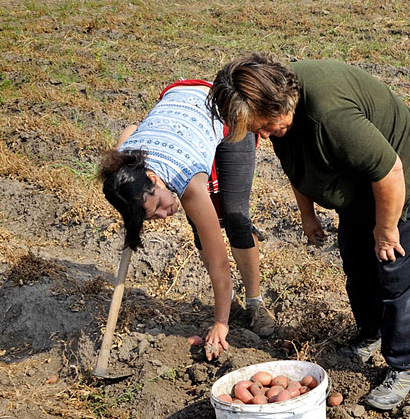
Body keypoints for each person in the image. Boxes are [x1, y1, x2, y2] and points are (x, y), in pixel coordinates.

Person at [208, 55, 410, 411]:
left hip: (406, 174)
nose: (262, 135)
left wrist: (385, 230)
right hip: (363, 182)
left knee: (396, 274)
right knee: (357, 261)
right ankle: (370, 335)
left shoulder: (329, 117)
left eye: (264, 127)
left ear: (278, 104)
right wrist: (308, 215)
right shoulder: (280, 118)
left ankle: (404, 367)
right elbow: (296, 166)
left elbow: (390, 171)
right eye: (258, 130)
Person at [97, 79, 276, 359]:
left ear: (153, 177)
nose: (163, 214)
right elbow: (130, 129)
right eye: (152, 215)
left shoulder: (187, 180)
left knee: (234, 215)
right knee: (199, 225)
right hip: (179, 110)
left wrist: (220, 324)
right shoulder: (125, 162)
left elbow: (219, 263)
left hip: (224, 108)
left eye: (157, 204)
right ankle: (230, 302)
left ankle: (255, 302)